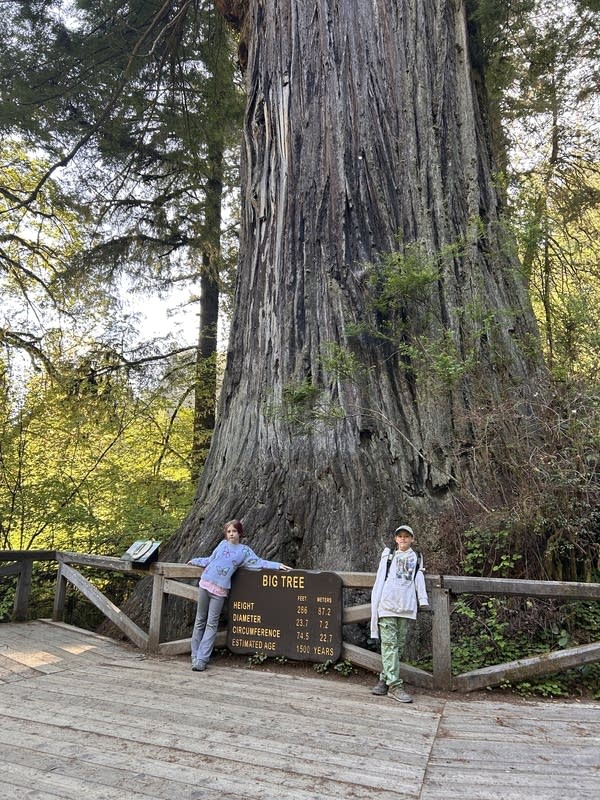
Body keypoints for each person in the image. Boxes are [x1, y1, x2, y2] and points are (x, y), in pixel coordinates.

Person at [187, 519, 292, 671]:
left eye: (234, 531)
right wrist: (196, 561)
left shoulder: (244, 551)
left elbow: (258, 562)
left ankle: (202, 659)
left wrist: (277, 565)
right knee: (200, 620)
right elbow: (210, 560)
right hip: (205, 583)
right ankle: (194, 655)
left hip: (220, 591)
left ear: (239, 533)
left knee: (211, 624)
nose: (231, 534)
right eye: (229, 531)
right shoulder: (222, 545)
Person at [369, 523, 429, 703]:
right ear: (396, 539)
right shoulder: (388, 555)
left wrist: (422, 600)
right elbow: (380, 579)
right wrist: (376, 604)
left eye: (406, 536)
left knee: (398, 646)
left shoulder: (417, 557)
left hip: (406, 606)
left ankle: (383, 680)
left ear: (412, 539)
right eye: (400, 536)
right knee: (389, 645)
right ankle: (395, 686)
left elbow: (418, 578)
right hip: (387, 605)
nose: (403, 538)